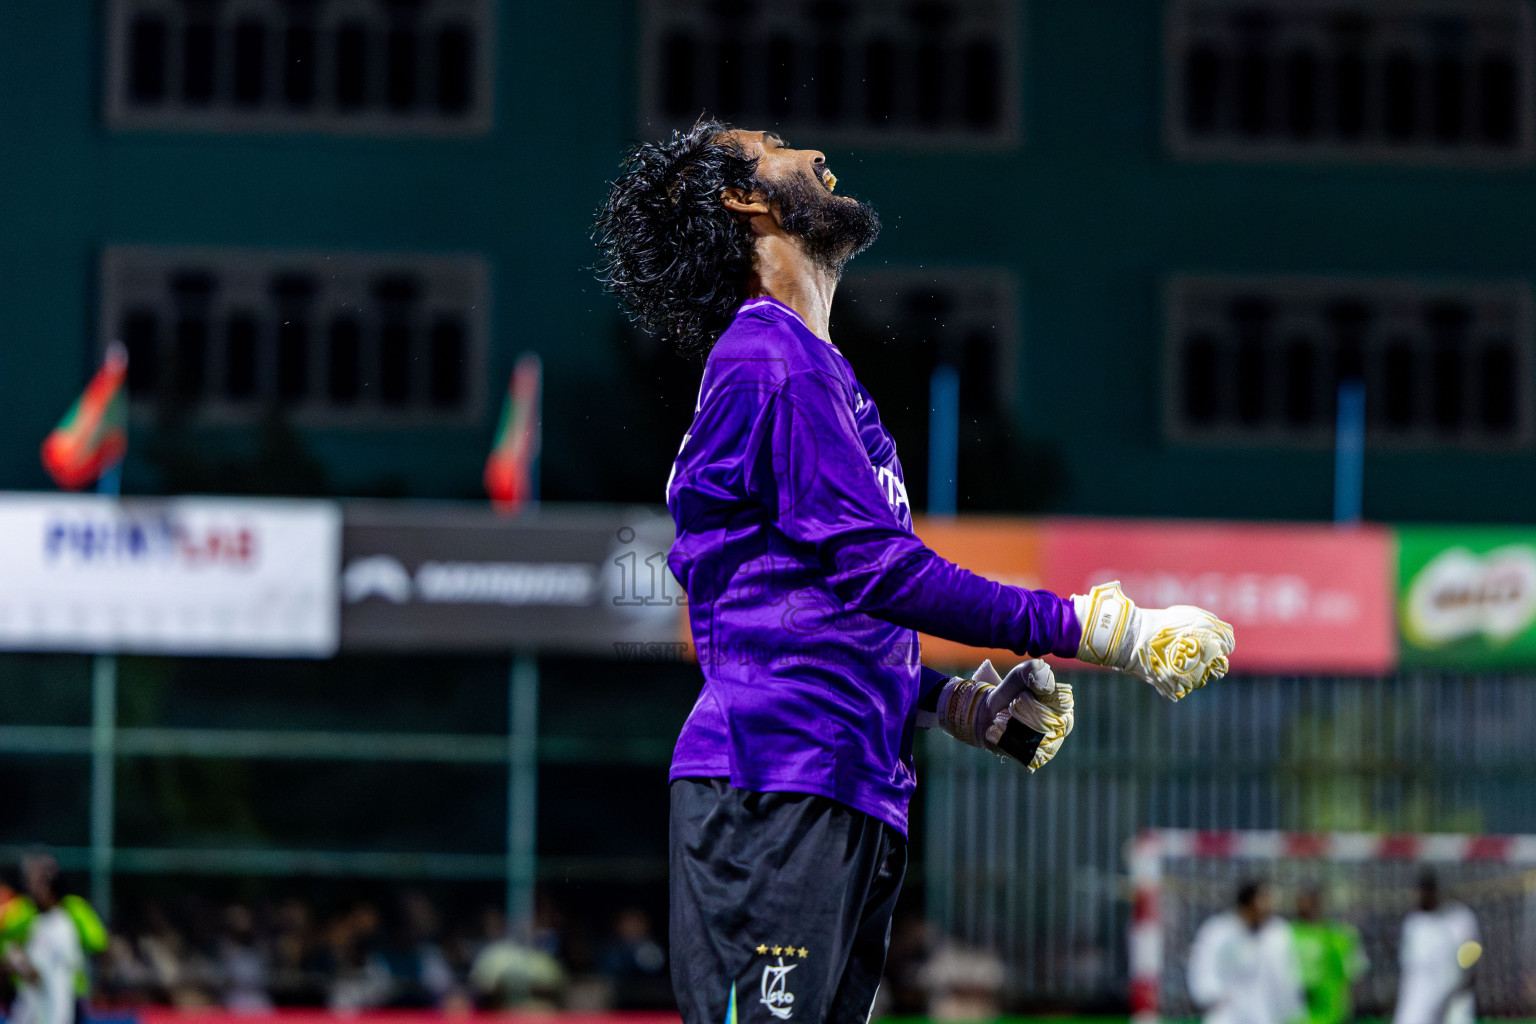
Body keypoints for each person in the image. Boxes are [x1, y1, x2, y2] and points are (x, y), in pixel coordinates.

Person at [594, 118, 1236, 1024]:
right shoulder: (767, 361)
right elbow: (878, 571)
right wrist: (1105, 629)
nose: (814, 153)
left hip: (839, 777)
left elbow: (806, 611)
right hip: (777, 779)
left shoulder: (810, 369)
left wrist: (950, 705)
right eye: (774, 145)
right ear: (744, 197)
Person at [1188, 880, 1303, 1024]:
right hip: (1227, 1013)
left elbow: (1287, 976)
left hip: (1265, 1014)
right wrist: (1211, 995)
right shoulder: (1219, 931)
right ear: (1248, 904)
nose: (1268, 907)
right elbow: (1203, 967)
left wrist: (1291, 1009)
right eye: (1263, 901)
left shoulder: (1277, 934)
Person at [3, 854, 85, 1024]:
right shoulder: (40, 923)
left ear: (52, 890)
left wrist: (17, 960)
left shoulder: (62, 928)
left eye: (39, 884)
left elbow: (47, 979)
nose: (32, 889)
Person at [1393, 873, 1479, 1024]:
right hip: (1421, 1003)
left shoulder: (1459, 920)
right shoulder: (1415, 924)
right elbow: (1410, 970)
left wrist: (1458, 988)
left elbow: (1470, 960)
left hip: (1454, 1000)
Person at [1291, 884, 1367, 1024]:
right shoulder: (1285, 936)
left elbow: (1355, 975)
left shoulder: (1340, 936)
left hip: (1332, 1015)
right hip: (1296, 1016)